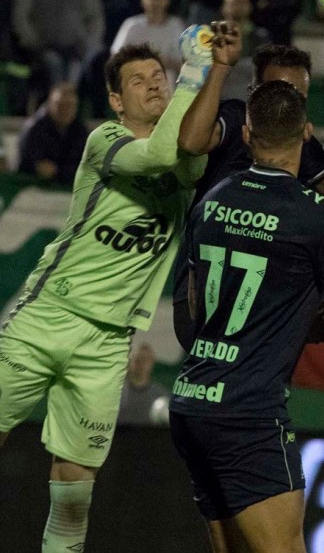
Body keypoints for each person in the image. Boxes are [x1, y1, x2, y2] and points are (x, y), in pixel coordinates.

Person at [0, 40, 209, 552]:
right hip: (46, 316)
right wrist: (192, 73)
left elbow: (183, 157)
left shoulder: (185, 168)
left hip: (107, 343)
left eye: (159, 75)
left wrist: (203, 78)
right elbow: (156, 151)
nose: (154, 83)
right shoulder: (105, 141)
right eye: (138, 80)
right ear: (116, 101)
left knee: (74, 492)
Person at [170, 80, 324, 552]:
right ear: (307, 133)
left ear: (248, 134)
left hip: (192, 400)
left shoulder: (211, 199)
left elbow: (196, 309)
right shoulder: (316, 219)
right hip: (248, 413)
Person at [173, 33, 324, 349]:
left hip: (261, 294)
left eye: (299, 96)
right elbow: (190, 142)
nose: (288, 105)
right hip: (204, 292)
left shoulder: (302, 148)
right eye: (278, 92)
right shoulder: (233, 117)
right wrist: (218, 68)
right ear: (253, 93)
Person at [111, 0, 187, 82]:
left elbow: (186, 63)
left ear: (167, 0)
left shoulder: (176, 26)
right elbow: (115, 57)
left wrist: (164, 62)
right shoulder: (132, 26)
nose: (156, 3)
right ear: (143, 0)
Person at [17, 82, 90, 186]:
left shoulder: (80, 131)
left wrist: (57, 171)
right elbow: (28, 163)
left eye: (69, 106)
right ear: (50, 104)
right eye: (60, 105)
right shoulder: (34, 129)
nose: (64, 110)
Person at [117, 341, 171, 426]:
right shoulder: (116, 394)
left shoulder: (161, 395)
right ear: (129, 362)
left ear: (152, 363)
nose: (141, 364)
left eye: (145, 360)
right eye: (137, 359)